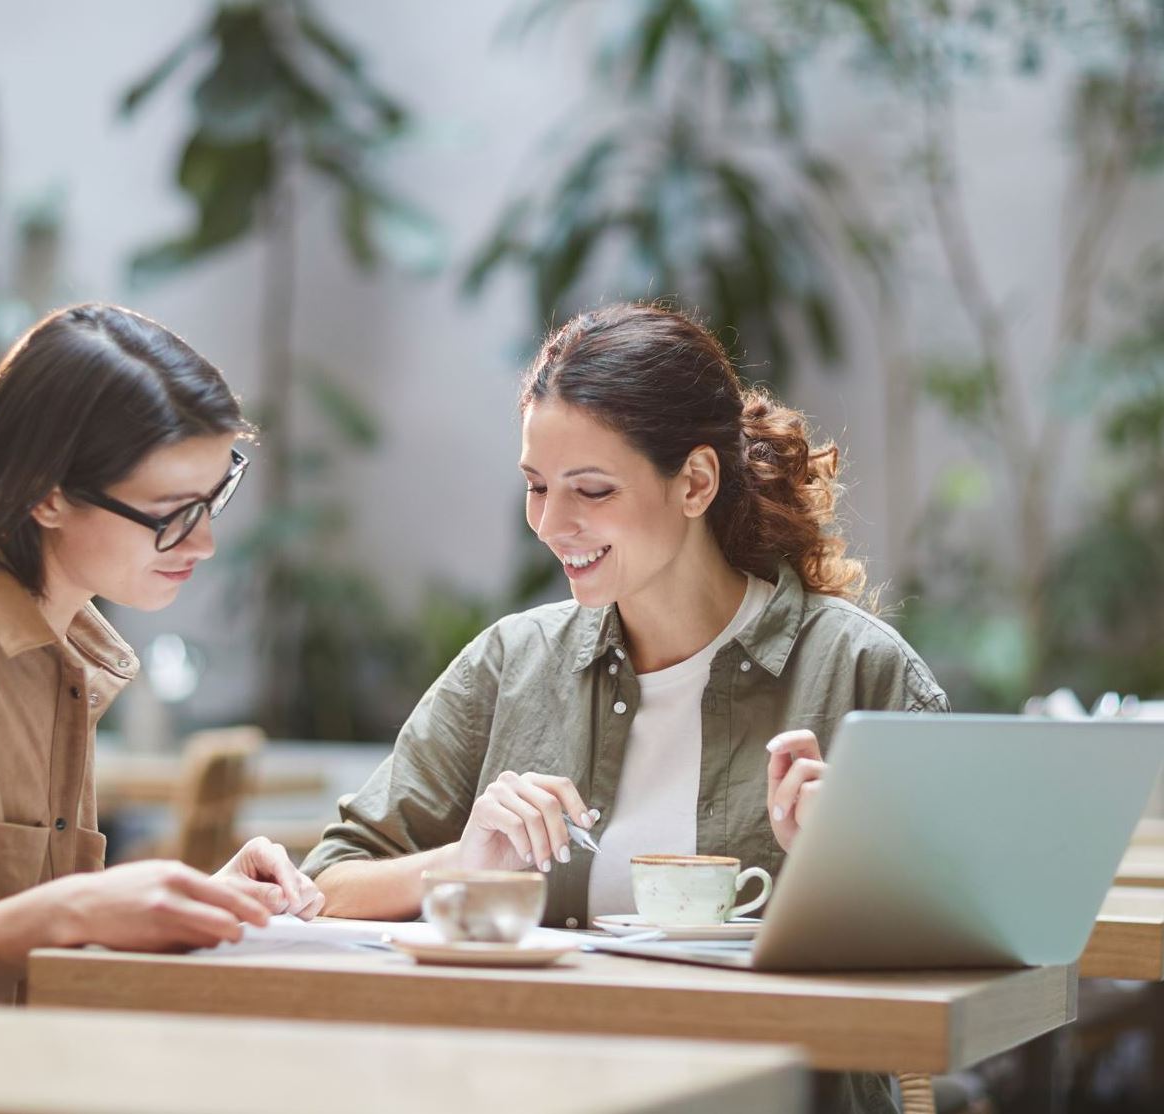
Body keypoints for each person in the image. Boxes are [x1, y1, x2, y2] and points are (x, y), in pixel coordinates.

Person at [301, 302, 948, 1114]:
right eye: (537, 487)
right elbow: (323, 886)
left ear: (697, 482)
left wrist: (843, 874)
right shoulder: (510, 665)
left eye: (593, 489)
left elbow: (959, 969)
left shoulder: (858, 672)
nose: (552, 524)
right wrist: (462, 864)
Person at [0, 303, 322, 1003]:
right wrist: (77, 910)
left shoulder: (67, 651)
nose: (204, 542)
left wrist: (192, 900)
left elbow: (20, 943)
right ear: (47, 496)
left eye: (214, 498)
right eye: (173, 513)